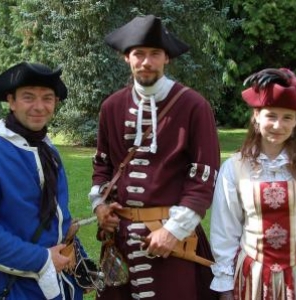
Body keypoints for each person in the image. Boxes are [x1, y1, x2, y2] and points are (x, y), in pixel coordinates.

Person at [88, 15, 220, 300]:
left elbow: (203, 177)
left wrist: (173, 230)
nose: (146, 62)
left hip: (172, 240)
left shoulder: (193, 105)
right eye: (139, 54)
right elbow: (102, 166)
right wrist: (100, 205)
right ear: (127, 58)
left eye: (155, 54)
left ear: (166, 59)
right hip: (120, 241)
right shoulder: (111, 106)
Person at [0, 62, 86, 299]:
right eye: (28, 97)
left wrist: (79, 255)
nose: (39, 107)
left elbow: (57, 213)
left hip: (61, 284)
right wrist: (42, 259)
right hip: (15, 287)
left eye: (47, 98)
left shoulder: (47, 150)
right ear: (11, 101)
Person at [210, 67, 296, 299]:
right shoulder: (235, 168)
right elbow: (224, 230)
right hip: (253, 279)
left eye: (287, 117)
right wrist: (225, 284)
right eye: (271, 115)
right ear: (256, 116)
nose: (278, 125)